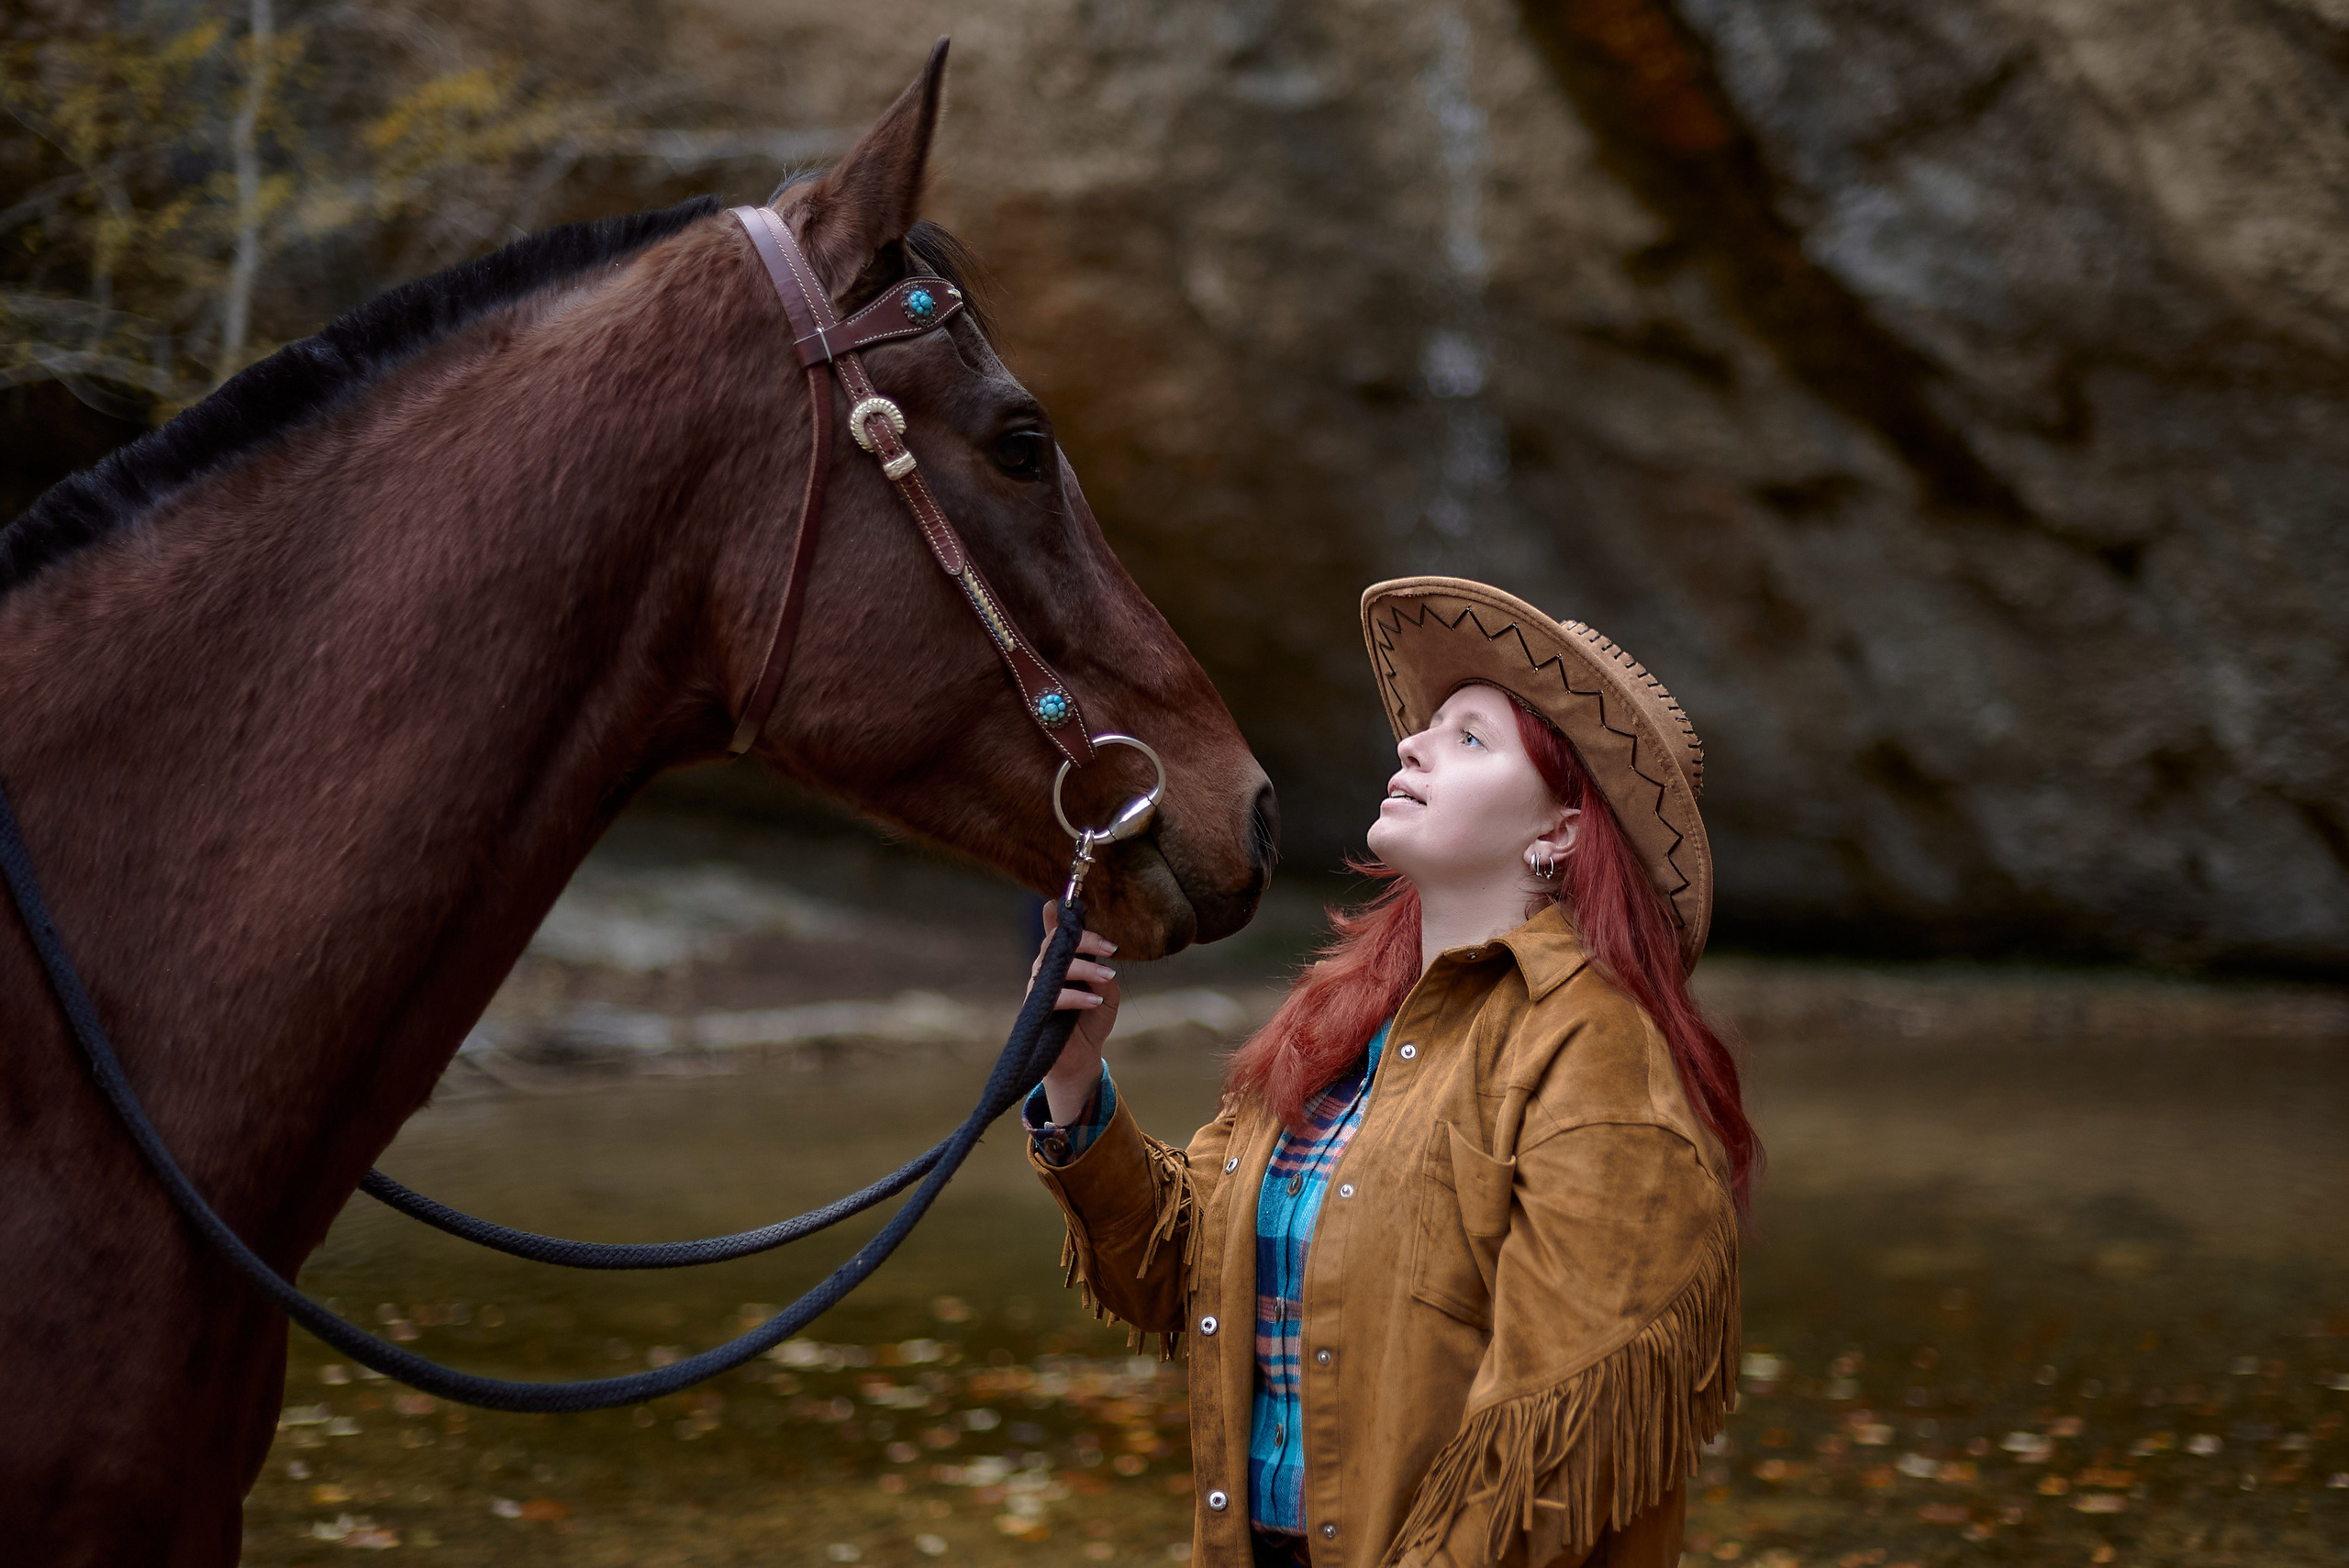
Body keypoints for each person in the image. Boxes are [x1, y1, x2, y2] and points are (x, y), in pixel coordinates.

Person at [1024, 577, 1756, 1568]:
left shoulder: (1597, 1049)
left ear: (1562, 831)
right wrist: (1073, 1078)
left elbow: (1549, 1433)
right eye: (1430, 727)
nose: (1410, 744)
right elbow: (1181, 1274)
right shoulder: (1332, 1024)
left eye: (1468, 739)